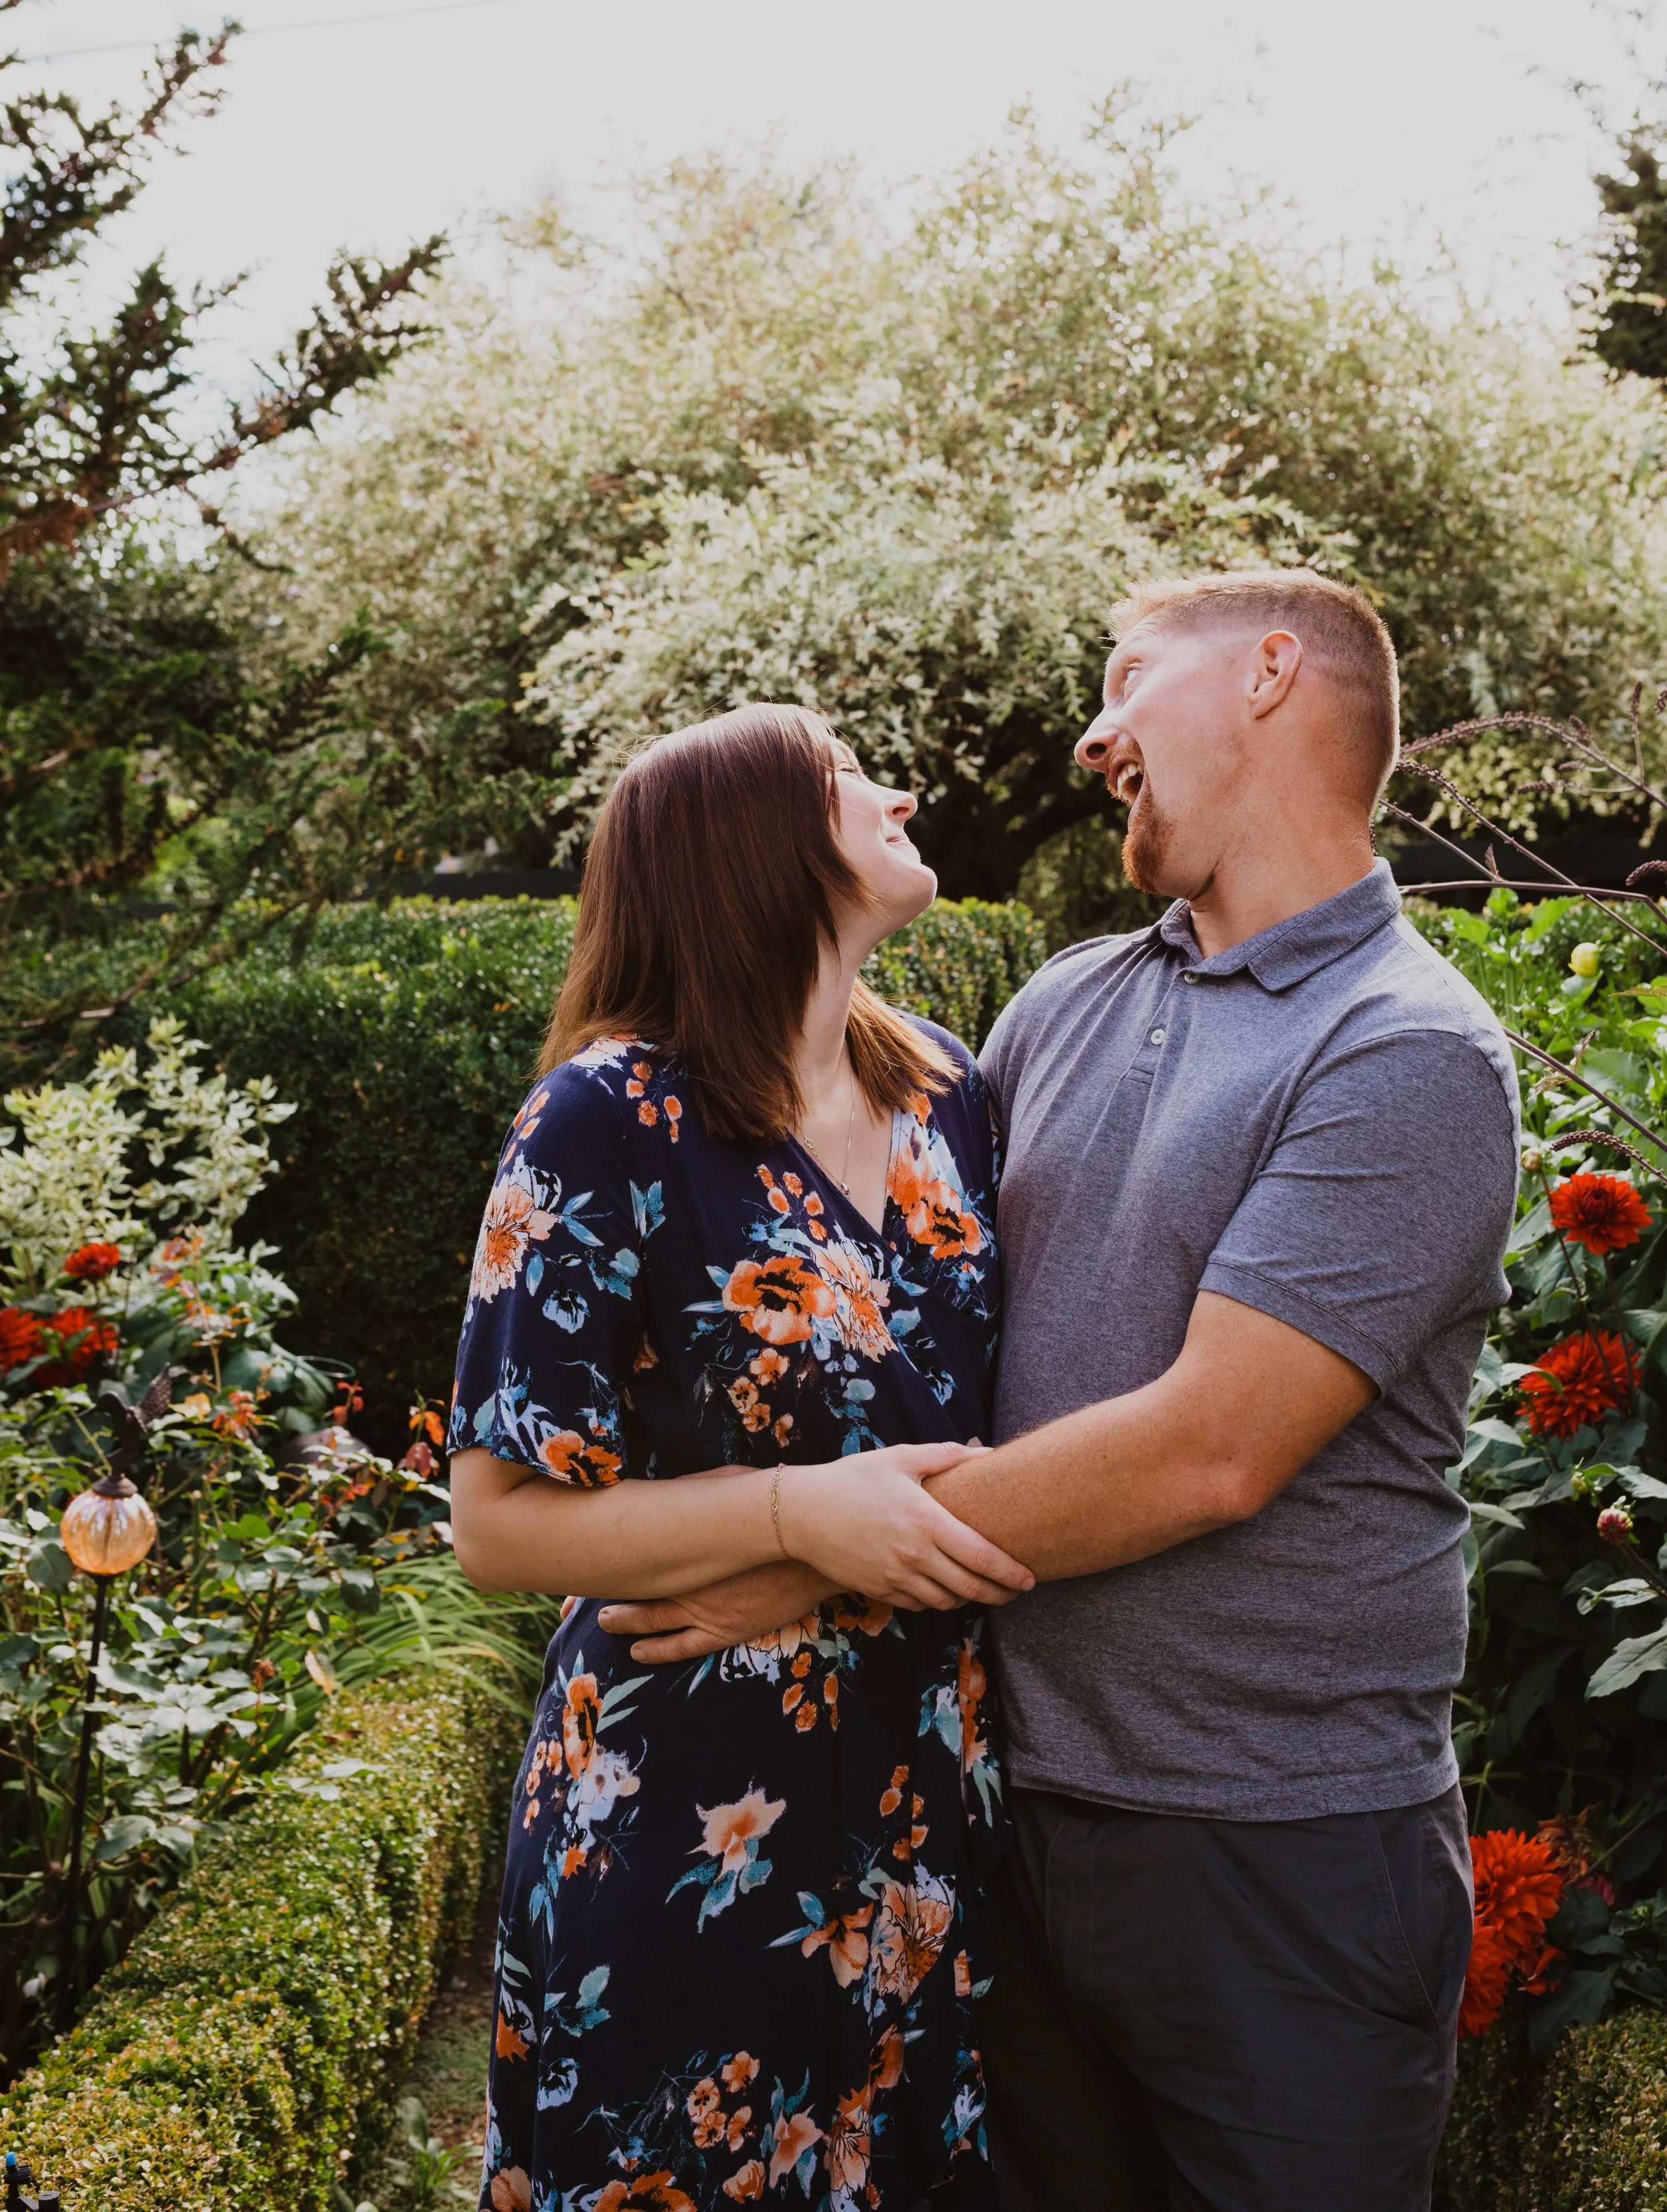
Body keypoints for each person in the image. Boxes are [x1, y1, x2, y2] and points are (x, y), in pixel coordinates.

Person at [604, 573, 1521, 2211]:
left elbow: (1207, 1453)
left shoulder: (1404, 1049)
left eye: (1122, 680)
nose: (1092, 737)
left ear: (1264, 675)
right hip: (1001, 1822)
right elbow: (868, 1312)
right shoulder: (1056, 1009)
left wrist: (798, 1552)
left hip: (1279, 1856)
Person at [448, 704, 1030, 2212]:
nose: (898, 791)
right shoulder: (606, 1119)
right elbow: (499, 1527)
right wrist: (791, 1508)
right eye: (849, 780)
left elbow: (990, 1439)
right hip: (681, 1806)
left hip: (921, 1808)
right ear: (752, 848)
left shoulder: (945, 1094)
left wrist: (806, 1557)